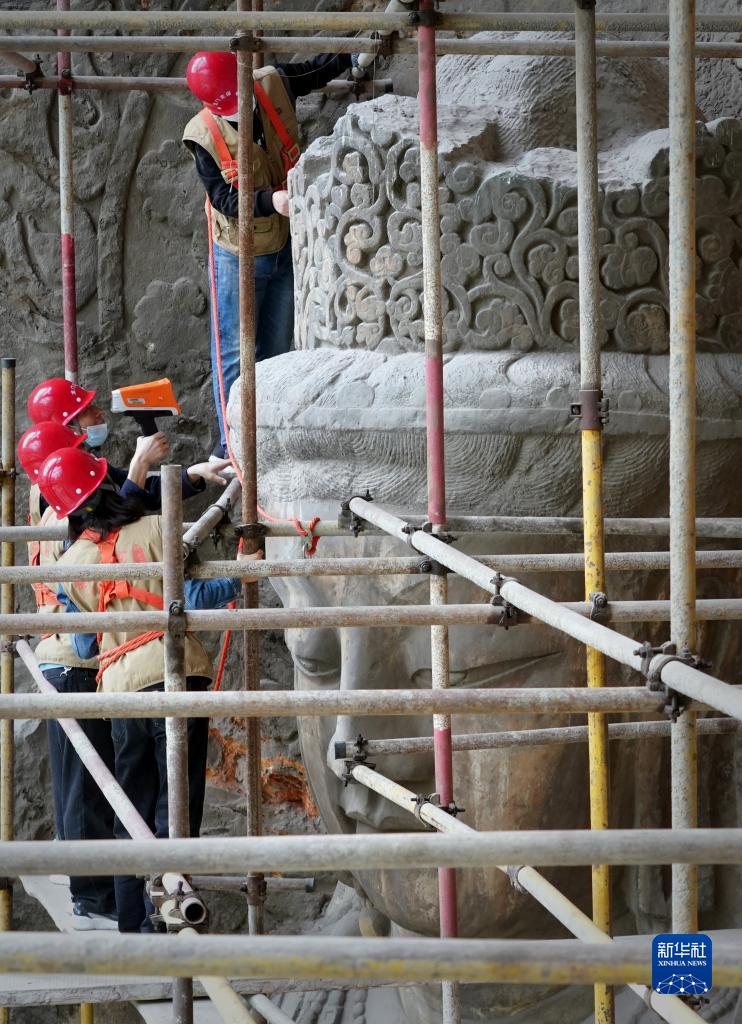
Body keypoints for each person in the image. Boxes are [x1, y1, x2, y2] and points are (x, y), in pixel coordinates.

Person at [40, 447, 260, 933]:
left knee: (130, 809)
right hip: (175, 677)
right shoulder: (160, 527)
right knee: (176, 808)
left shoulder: (71, 563)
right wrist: (243, 572)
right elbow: (192, 597)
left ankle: (133, 922)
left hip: (121, 691)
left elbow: (85, 642)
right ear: (108, 486)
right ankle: (169, 922)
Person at [182, 49, 369, 458]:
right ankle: (233, 445)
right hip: (238, 254)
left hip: (286, 245)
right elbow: (223, 199)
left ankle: (269, 438)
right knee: (235, 351)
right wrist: (271, 201)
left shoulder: (270, 83)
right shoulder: (202, 135)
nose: (241, 110)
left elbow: (312, 72)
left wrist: (353, 56)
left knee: (278, 346)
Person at [26, 377, 230, 516]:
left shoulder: (84, 463)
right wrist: (140, 462)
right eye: (86, 411)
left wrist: (193, 473)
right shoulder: (55, 485)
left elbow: (147, 493)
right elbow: (110, 526)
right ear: (67, 426)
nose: (98, 411)